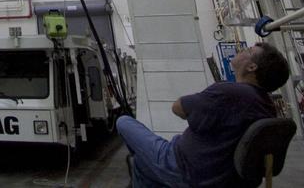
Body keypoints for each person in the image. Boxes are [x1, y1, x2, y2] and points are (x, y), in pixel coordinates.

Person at [118, 41, 291, 188]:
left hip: (183, 167)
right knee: (141, 164)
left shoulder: (229, 92)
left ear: (252, 66)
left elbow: (178, 108)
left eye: (248, 51)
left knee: (124, 122)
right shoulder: (266, 105)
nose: (242, 50)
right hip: (225, 178)